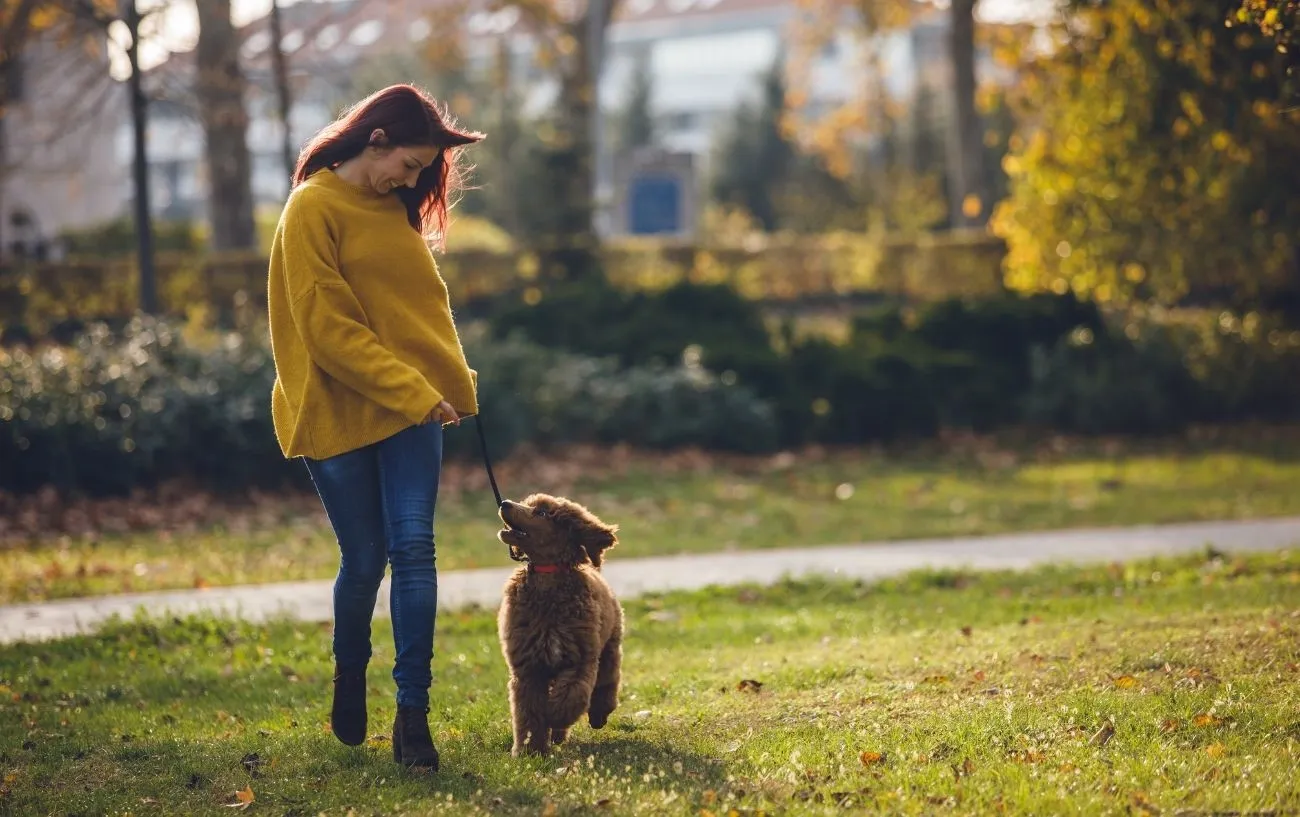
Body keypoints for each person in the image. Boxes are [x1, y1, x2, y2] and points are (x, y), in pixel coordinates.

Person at [266, 83, 484, 771]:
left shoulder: (393, 210)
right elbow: (327, 329)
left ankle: (413, 713)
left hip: (414, 408)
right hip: (337, 407)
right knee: (366, 559)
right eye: (412, 165)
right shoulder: (312, 208)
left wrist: (451, 383)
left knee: (415, 548)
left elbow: (418, 310)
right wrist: (413, 391)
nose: (413, 181)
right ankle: (348, 671)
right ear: (377, 139)